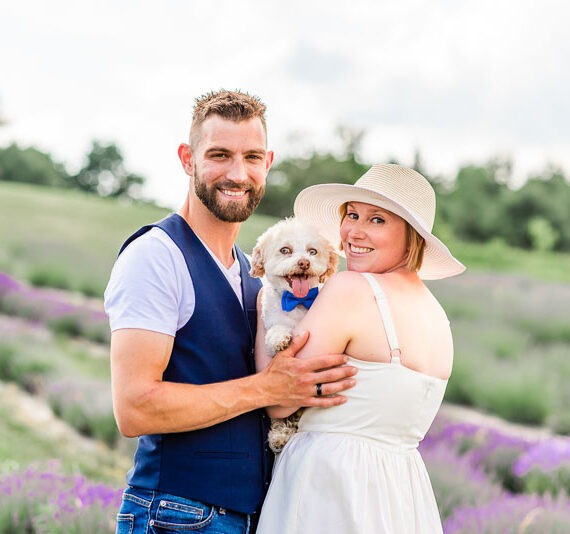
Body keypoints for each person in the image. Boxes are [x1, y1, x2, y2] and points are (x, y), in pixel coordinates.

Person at [104, 89, 357, 534]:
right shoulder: (156, 257)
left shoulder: (252, 272)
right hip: (176, 515)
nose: (238, 173)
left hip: (254, 517)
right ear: (188, 158)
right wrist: (266, 388)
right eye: (220, 155)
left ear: (268, 162)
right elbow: (134, 408)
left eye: (252, 157)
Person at [255, 163, 466, 533]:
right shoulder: (438, 316)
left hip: (330, 487)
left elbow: (277, 399)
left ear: (411, 235)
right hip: (401, 495)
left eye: (377, 220)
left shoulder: (351, 289)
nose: (354, 231)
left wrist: (266, 303)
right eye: (352, 214)